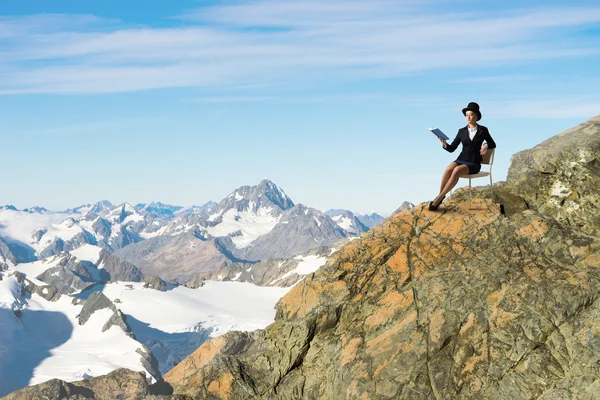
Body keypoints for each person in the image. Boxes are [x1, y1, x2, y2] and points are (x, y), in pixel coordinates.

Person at [429, 102, 496, 211]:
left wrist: (485, 145)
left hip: (474, 162)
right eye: (466, 115)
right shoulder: (461, 131)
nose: (468, 117)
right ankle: (441, 196)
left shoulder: (483, 130)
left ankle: (438, 199)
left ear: (477, 116)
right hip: (461, 159)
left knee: (456, 171)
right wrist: (444, 143)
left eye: (471, 114)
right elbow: (452, 149)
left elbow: (492, 143)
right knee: (448, 168)